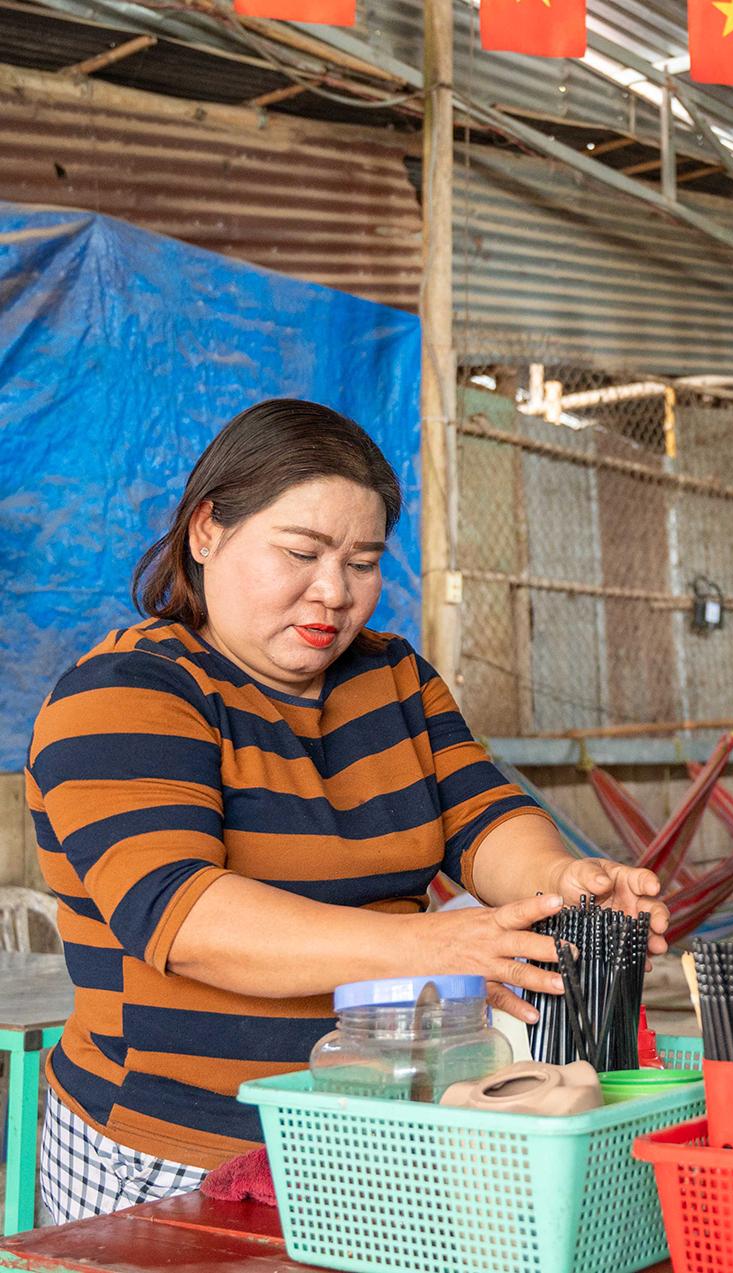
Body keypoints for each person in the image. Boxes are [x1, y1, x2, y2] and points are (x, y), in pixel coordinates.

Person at [26, 400, 667, 1222]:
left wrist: (562, 879)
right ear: (207, 531)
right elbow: (187, 918)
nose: (333, 591)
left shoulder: (393, 679)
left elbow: (483, 815)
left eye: (362, 562)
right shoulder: (126, 693)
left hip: (374, 1128)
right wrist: (435, 946)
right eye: (301, 552)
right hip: (171, 1151)